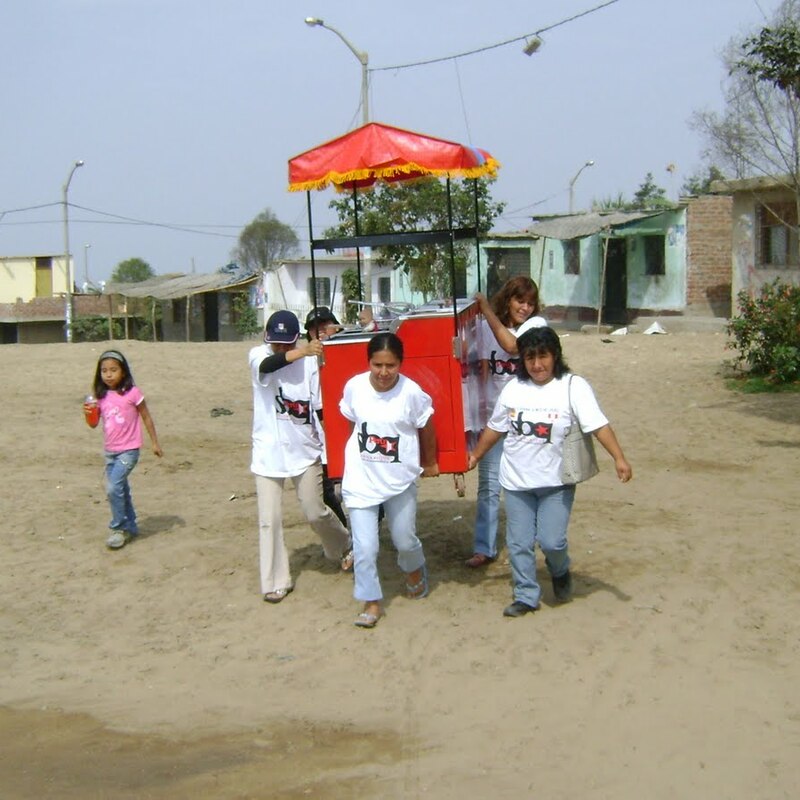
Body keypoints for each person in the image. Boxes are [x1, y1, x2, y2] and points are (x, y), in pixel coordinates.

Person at [468, 326, 632, 617]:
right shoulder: (514, 389)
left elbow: (598, 425)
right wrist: (476, 455)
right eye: (529, 358)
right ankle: (526, 595)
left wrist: (619, 458)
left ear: (555, 356)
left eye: (543, 356)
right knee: (518, 543)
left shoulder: (573, 386)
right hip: (517, 482)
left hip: (557, 481)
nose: (537, 364)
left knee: (552, 541)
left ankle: (560, 570)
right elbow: (496, 428)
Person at [249, 310, 353, 604]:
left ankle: (343, 544)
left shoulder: (310, 365)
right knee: (269, 519)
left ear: (295, 339)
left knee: (314, 510)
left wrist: (333, 447)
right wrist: (303, 350)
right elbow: (270, 365)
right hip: (268, 453)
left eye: (287, 344)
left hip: (304, 449)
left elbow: (319, 408)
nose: (280, 349)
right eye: (275, 343)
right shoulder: (258, 355)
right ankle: (275, 581)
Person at [339, 332, 439, 628]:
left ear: (400, 364)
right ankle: (371, 601)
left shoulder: (412, 393)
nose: (383, 372)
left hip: (399, 478)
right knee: (366, 547)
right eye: (377, 365)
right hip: (361, 478)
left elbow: (427, 425)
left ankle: (414, 569)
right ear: (368, 362)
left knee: (404, 540)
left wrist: (430, 461)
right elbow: (349, 422)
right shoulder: (354, 387)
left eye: (390, 366)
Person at [465, 276, 547, 569]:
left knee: (527, 483)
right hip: (494, 420)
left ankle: (530, 539)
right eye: (519, 301)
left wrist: (485, 309)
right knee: (488, 485)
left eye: (529, 302)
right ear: (508, 300)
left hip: (526, 421)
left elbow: (512, 346)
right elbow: (478, 365)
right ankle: (484, 546)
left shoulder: (537, 328)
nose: (525, 307)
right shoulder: (485, 329)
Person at [82, 349, 163, 549]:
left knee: (113, 487)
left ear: (123, 372)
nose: (108, 374)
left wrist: (154, 442)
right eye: (104, 371)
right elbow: (93, 424)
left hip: (130, 450)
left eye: (113, 370)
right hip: (110, 451)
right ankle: (131, 525)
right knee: (121, 489)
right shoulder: (100, 396)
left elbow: (146, 417)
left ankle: (118, 528)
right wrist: (89, 413)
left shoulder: (132, 393)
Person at [304, 306, 348, 529]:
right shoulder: (306, 361)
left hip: (349, 426)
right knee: (327, 493)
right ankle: (345, 535)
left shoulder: (348, 349)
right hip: (322, 434)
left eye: (324, 325)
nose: (319, 331)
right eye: (313, 328)